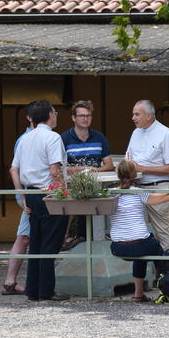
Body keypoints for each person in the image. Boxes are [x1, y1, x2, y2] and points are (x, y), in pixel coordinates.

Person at [110, 160, 169, 302]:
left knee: (141, 255)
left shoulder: (110, 194)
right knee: (158, 253)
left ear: (117, 175)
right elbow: (164, 197)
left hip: (117, 247)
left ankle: (138, 295)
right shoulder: (139, 193)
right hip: (139, 244)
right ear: (136, 175)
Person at [10, 100, 70, 302]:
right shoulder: (53, 137)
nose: (56, 115)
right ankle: (46, 290)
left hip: (31, 194)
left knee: (36, 242)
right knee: (50, 244)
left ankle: (32, 289)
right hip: (49, 194)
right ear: (49, 115)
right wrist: (63, 194)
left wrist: (22, 197)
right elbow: (55, 171)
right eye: (54, 112)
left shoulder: (25, 139)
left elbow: (14, 169)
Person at [60, 100, 114, 251]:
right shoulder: (64, 139)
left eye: (89, 116)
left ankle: (108, 237)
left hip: (97, 187)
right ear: (73, 118)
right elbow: (61, 167)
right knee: (67, 205)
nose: (85, 119)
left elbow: (109, 165)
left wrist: (94, 171)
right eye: (82, 116)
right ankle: (64, 238)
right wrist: (86, 167)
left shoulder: (99, 137)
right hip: (72, 188)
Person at [126, 99, 169, 251]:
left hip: (159, 187)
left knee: (162, 232)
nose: (133, 118)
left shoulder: (166, 133)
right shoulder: (135, 132)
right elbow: (128, 158)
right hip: (136, 188)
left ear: (148, 116)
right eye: (133, 114)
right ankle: (141, 274)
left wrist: (142, 168)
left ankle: (167, 271)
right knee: (137, 235)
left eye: (137, 114)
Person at [2, 105, 35, 295]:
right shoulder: (25, 140)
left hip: (26, 194)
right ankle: (11, 280)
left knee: (24, 236)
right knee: (24, 237)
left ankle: (10, 281)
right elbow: (16, 168)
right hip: (28, 193)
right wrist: (23, 196)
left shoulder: (27, 138)